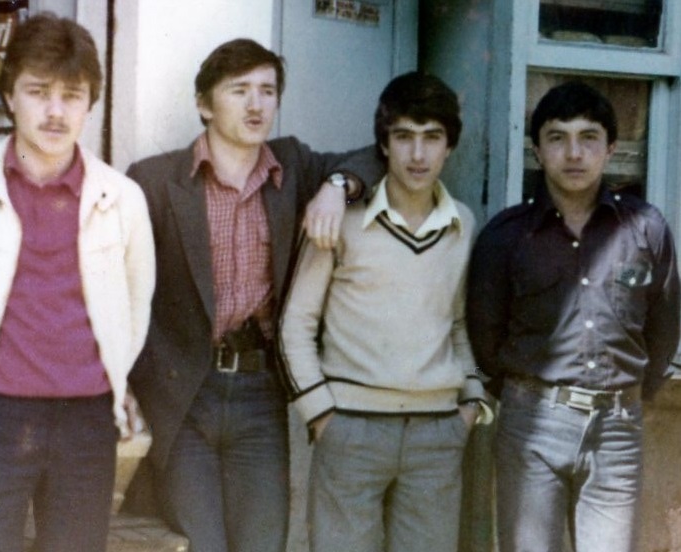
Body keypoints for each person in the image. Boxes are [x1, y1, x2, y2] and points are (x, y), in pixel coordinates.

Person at [0, 13, 155, 552]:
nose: (55, 111)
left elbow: (136, 309)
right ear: (9, 96)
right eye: (38, 92)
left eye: (72, 95)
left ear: (90, 103)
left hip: (88, 420)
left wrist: (108, 384)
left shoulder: (121, 199)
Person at [126, 38, 383, 552]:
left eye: (267, 91)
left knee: (263, 542)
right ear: (204, 104)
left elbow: (375, 156)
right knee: (199, 543)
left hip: (260, 394)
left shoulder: (294, 166)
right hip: (184, 394)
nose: (255, 104)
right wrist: (130, 386)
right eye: (239, 90)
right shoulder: (154, 181)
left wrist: (337, 186)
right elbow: (121, 292)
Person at [278, 72, 490, 552]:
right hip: (350, 427)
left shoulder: (462, 223)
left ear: (450, 146)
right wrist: (320, 414)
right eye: (404, 137)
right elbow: (296, 323)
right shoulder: (341, 218)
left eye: (432, 137)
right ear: (384, 144)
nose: (418, 154)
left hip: (437, 433)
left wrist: (472, 398)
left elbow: (459, 324)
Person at [467, 81, 680, 552]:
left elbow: (664, 326)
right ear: (537, 151)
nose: (574, 153)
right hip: (531, 425)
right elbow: (486, 337)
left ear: (611, 148)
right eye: (557, 138)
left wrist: (630, 395)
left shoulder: (644, 229)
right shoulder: (506, 236)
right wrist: (530, 397)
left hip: (617, 430)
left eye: (588, 137)